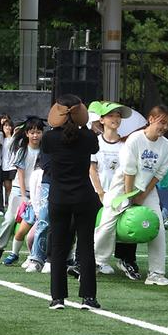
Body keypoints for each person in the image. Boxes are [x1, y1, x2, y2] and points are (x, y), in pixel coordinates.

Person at [93, 105, 168, 286]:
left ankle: (156, 274)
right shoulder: (135, 139)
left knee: (158, 229)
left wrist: (143, 195)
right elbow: (129, 170)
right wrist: (130, 197)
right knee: (107, 223)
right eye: (162, 122)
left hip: (147, 189)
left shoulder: (166, 145)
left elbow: (159, 173)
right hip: (123, 186)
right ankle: (96, 262)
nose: (164, 127)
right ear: (151, 119)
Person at [41, 94, 101, 310]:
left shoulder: (49, 138)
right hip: (84, 196)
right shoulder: (89, 138)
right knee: (86, 247)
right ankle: (88, 297)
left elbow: (49, 153)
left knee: (58, 247)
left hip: (59, 198)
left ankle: (57, 298)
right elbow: (93, 148)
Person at [87, 101, 139, 279]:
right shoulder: (95, 142)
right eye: (111, 115)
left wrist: (127, 193)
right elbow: (92, 168)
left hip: (119, 194)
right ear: (101, 119)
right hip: (97, 193)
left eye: (118, 116)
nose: (115, 119)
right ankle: (92, 261)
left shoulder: (126, 145)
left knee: (127, 227)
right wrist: (100, 192)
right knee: (96, 228)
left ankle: (126, 260)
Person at [0, 117, 43, 263]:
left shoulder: (44, 152)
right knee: (9, 220)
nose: (35, 135)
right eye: (32, 132)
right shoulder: (22, 150)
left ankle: (30, 256)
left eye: (38, 132)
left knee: (37, 223)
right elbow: (20, 174)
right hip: (19, 191)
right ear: (26, 133)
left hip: (37, 193)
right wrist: (25, 197)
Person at [0, 119, 16, 207]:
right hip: (4, 167)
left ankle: (15, 206)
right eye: (5, 125)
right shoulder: (1, 139)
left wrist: (12, 134)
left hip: (13, 167)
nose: (7, 127)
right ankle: (10, 206)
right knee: (7, 188)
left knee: (14, 188)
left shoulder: (14, 138)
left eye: (9, 125)